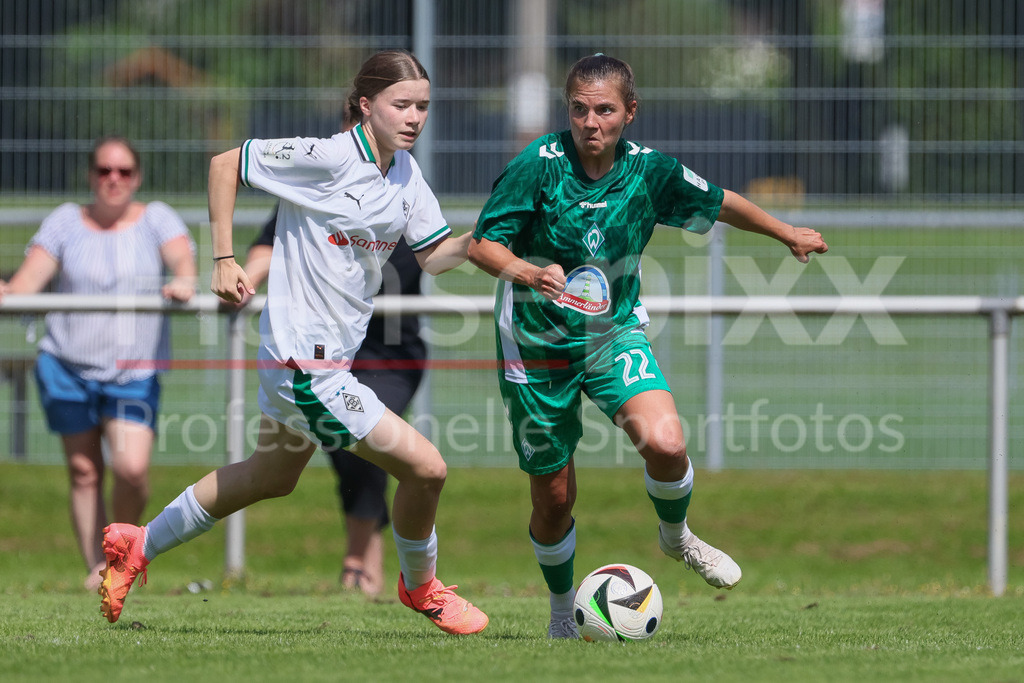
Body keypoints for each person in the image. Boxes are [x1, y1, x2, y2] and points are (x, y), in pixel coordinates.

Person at [97, 50, 488, 635]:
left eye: (423, 107)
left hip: (322, 364)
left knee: (269, 475)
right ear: (365, 105)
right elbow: (225, 164)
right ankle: (422, 587)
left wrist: (486, 235)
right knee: (427, 468)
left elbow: (433, 256)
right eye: (401, 104)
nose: (414, 117)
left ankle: (139, 544)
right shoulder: (328, 156)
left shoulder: (406, 176)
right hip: (305, 365)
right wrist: (224, 257)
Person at [467, 54, 828, 639]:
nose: (591, 122)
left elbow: (719, 200)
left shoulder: (648, 171)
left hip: (613, 334)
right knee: (554, 499)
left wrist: (786, 232)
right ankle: (564, 614)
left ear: (629, 112)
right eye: (580, 110)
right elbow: (484, 245)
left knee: (665, 442)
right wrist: (527, 273)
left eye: (605, 110)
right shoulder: (537, 165)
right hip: (534, 349)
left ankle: (677, 537)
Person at [0, 135, 197, 591]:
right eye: (105, 171)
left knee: (131, 469)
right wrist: (10, 293)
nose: (114, 179)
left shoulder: (155, 219)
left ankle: (121, 554)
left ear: (137, 177)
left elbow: (183, 263)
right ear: (91, 176)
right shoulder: (66, 221)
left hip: (133, 371)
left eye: (124, 171)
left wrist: (184, 282)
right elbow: (30, 280)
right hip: (66, 364)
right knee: (84, 471)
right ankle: (96, 566)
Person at [239, 205, 426, 597]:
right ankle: (144, 543)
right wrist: (244, 277)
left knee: (372, 440)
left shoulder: (406, 190)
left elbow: (437, 251)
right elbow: (268, 245)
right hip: (320, 356)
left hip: (389, 353)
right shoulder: (315, 184)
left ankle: (367, 560)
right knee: (270, 475)